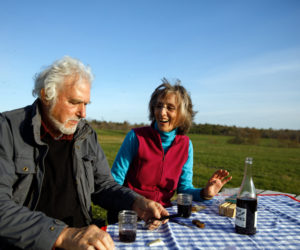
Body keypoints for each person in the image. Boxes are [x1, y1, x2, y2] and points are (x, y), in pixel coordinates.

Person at [0, 56, 168, 250]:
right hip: (35, 243)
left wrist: (136, 202)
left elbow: (104, 185)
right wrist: (62, 235)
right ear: (47, 96)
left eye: (86, 104)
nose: (83, 113)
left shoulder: (85, 134)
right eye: (74, 102)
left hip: (84, 240)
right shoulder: (8, 130)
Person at [111, 79, 232, 210]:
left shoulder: (186, 145)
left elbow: (184, 189)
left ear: (182, 114)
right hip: (131, 211)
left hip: (163, 213)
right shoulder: (135, 137)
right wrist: (135, 204)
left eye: (170, 108)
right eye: (158, 106)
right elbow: (114, 183)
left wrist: (205, 193)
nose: (162, 112)